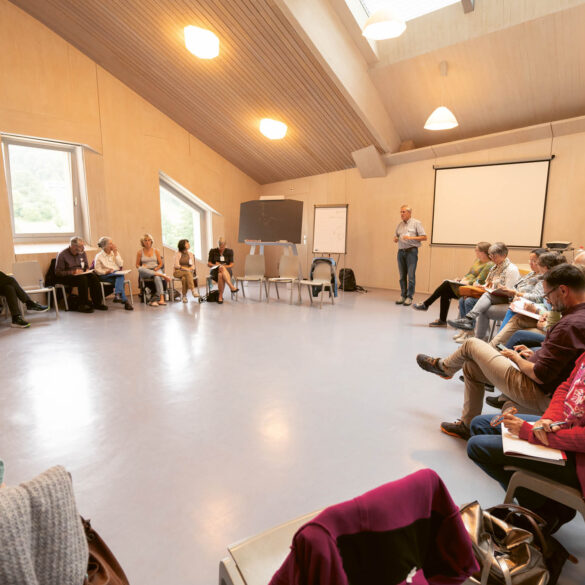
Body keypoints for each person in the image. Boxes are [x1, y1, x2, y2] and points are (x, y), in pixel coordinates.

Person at [415, 264, 585, 440]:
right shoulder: (577, 318)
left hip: (538, 391)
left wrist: (516, 358)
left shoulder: (569, 325)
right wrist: (535, 354)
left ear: (563, 290)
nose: (547, 300)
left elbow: (539, 375)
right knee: (471, 367)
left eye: (547, 295)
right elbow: (561, 359)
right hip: (548, 388)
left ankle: (444, 367)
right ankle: (466, 425)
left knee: (471, 344)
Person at [467, 350, 585, 533]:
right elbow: (567, 386)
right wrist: (549, 418)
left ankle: (543, 513)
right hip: (561, 425)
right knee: (480, 425)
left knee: (477, 447)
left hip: (578, 460)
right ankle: (550, 507)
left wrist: (531, 433)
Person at [447, 242, 522, 339]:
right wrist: (482, 286)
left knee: (472, 300)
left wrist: (493, 288)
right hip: (493, 295)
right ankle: (466, 328)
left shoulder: (512, 269)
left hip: (505, 298)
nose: (492, 259)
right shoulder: (495, 267)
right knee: (463, 299)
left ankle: (469, 322)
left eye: (495, 256)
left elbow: (509, 291)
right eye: (491, 256)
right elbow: (488, 283)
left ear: (504, 255)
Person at [412, 241, 492, 327]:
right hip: (465, 286)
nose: (475, 252)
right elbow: (469, 275)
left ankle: (426, 304)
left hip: (473, 290)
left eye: (477, 250)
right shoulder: (477, 261)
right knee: (445, 292)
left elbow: (479, 280)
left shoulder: (489, 265)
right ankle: (441, 320)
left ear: (483, 252)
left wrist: (465, 282)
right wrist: (461, 279)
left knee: (446, 284)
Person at [55, 236, 106, 313]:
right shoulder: (62, 254)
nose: (83, 248)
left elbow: (86, 266)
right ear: (73, 246)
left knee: (93, 276)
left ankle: (97, 303)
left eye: (83, 246)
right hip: (68, 277)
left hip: (81, 274)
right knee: (82, 279)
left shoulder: (82, 253)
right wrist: (72, 272)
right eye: (80, 246)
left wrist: (87, 270)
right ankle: (83, 304)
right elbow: (58, 272)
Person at [393, 205, 427, 306]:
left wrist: (411, 238)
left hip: (411, 251)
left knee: (411, 276)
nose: (401, 214)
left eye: (403, 212)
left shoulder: (416, 223)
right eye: (401, 212)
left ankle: (409, 297)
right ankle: (403, 295)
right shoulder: (400, 225)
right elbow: (396, 236)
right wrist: (395, 239)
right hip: (401, 252)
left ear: (409, 213)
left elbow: (424, 237)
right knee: (402, 276)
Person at [93, 236, 133, 310]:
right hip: (105, 275)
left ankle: (118, 296)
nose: (113, 245)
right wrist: (106, 271)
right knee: (120, 277)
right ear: (105, 246)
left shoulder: (115, 253)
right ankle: (123, 300)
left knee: (119, 277)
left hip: (115, 274)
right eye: (110, 243)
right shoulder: (98, 256)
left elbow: (120, 264)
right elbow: (97, 270)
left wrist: (116, 253)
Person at [136, 234, 171, 307]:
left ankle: (161, 299)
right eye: (145, 240)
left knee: (157, 277)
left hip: (155, 269)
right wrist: (142, 266)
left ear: (151, 241)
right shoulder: (140, 252)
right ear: (143, 242)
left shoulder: (156, 251)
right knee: (140, 269)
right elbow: (137, 265)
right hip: (145, 271)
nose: (147, 242)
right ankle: (163, 276)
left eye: (149, 240)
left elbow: (160, 263)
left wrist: (157, 268)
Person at [208, 236, 238, 304]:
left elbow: (231, 264)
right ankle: (231, 286)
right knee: (220, 271)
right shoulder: (212, 251)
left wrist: (223, 266)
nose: (221, 248)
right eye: (220, 246)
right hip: (215, 271)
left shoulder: (230, 251)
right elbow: (209, 264)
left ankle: (220, 296)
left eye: (223, 247)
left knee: (220, 274)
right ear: (217, 244)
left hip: (227, 271)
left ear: (225, 245)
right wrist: (216, 265)